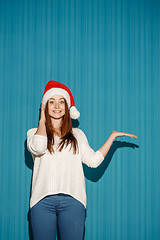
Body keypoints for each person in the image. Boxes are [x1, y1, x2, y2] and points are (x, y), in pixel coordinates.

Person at [27, 80, 137, 240]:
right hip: (41, 202)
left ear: (67, 107)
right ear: (45, 107)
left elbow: (93, 161)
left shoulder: (77, 135)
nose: (56, 106)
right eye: (51, 101)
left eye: (61, 102)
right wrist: (42, 121)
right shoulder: (33, 133)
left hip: (73, 201)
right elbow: (38, 147)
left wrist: (112, 137)